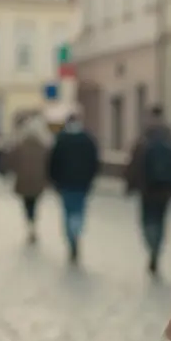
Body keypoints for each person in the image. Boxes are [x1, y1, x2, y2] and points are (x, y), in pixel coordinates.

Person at [125, 106, 171, 274]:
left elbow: (134, 163)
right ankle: (156, 250)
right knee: (160, 220)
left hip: (147, 189)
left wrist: (130, 185)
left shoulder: (143, 138)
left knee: (147, 221)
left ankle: (152, 247)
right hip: (166, 188)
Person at [47, 112, 100, 263]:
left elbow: (52, 162)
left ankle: (71, 238)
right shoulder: (88, 139)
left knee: (68, 211)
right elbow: (94, 162)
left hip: (65, 184)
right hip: (82, 183)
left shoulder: (61, 139)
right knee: (79, 210)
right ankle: (76, 233)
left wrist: (54, 181)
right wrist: (91, 179)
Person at [3, 114, 53, 244]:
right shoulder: (43, 146)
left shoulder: (19, 145)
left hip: (23, 181)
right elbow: (49, 163)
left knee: (26, 204)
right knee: (35, 204)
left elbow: (10, 161)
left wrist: (13, 172)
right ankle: (33, 224)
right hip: (38, 181)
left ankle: (30, 225)